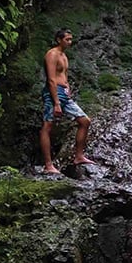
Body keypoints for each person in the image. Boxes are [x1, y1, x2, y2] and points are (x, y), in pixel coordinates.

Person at [39, 28, 94, 174]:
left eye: (71, 39)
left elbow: (64, 74)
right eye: (67, 39)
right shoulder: (52, 54)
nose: (70, 42)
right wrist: (56, 102)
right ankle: (48, 165)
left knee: (85, 121)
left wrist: (67, 88)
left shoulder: (64, 56)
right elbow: (51, 79)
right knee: (47, 125)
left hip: (64, 93)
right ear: (59, 40)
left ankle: (79, 156)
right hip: (53, 93)